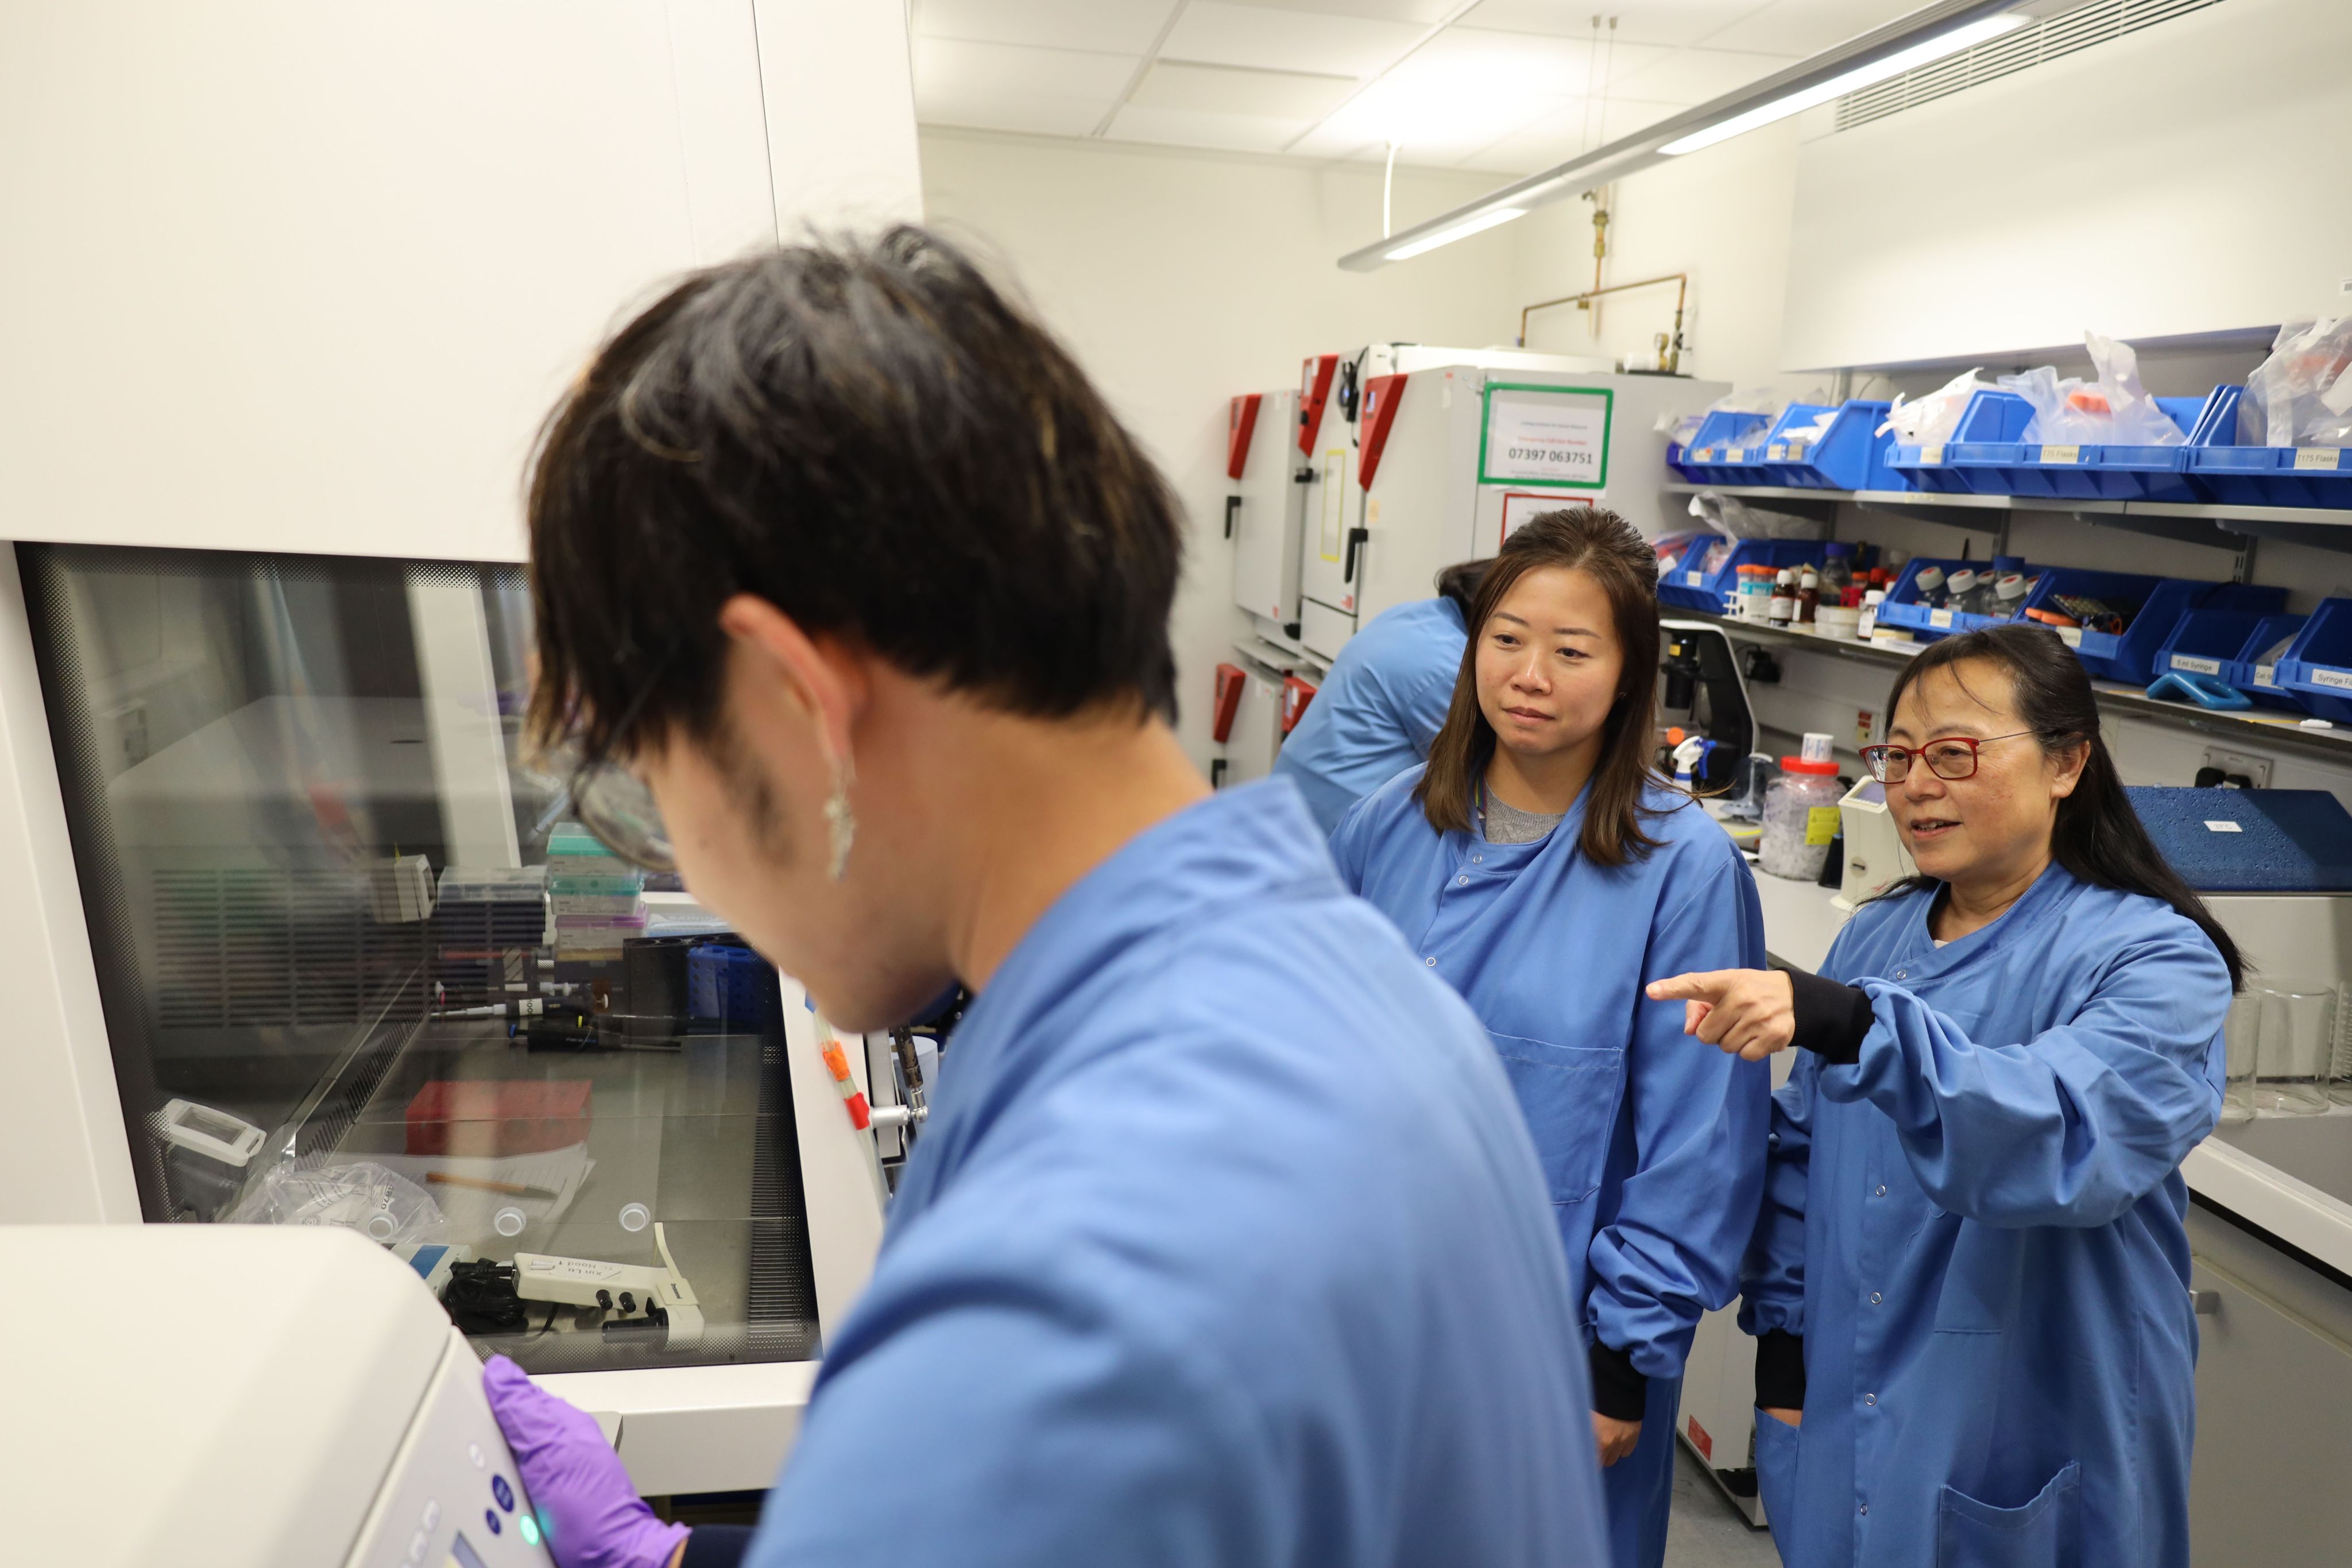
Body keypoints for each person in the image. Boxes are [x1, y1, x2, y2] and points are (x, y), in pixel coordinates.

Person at [480, 228, 1610, 1568]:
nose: (684, 852)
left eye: (647, 780)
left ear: (796, 703)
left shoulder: (1061, 1301)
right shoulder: (1342, 986)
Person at [1648, 623, 2241, 1568]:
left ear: (2066, 762)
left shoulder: (2154, 956)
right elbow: (1800, 1159)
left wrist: (1855, 1027)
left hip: (2036, 1417)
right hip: (1849, 1405)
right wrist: (1785, 1356)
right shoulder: (1876, 937)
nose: (1916, 783)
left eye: (1955, 753)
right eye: (1897, 755)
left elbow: (2062, 1131)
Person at [1328, 508, 1771, 1568]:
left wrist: (1618, 1365)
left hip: (1551, 1349)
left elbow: (1699, 1144)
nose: (1530, 673)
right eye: (1507, 638)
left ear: (1626, 677)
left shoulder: (1681, 870)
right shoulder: (1387, 824)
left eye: (1572, 651)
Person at [1272, 560, 1486, 835]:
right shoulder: (1444, 664)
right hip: (1333, 819)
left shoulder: (1416, 616)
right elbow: (1478, 777)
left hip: (1296, 795)